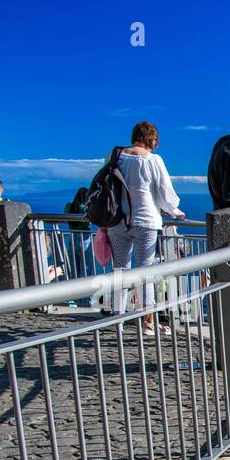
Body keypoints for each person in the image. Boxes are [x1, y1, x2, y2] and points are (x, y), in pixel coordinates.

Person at [108, 121, 184, 336]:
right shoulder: (152, 160)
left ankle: (118, 319)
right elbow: (165, 192)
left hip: (117, 220)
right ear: (152, 139)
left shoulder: (116, 155)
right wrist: (174, 209)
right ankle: (147, 323)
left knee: (120, 271)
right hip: (145, 222)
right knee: (145, 273)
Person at [63, 186, 91, 285]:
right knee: (86, 271)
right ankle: (86, 298)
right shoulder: (86, 208)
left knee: (75, 271)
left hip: (72, 238)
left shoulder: (68, 206)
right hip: (84, 239)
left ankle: (75, 296)